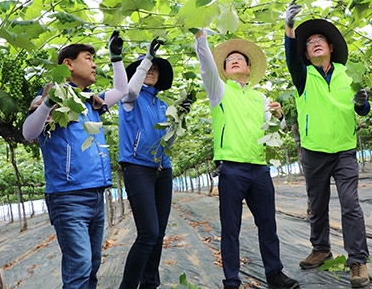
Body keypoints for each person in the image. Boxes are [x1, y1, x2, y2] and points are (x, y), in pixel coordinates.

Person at [22, 31, 128, 288]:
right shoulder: (50, 95)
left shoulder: (91, 101)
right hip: (68, 197)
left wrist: (116, 57)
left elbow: (122, 90)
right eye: (88, 58)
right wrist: (48, 102)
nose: (93, 64)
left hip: (95, 196)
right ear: (68, 64)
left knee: (91, 264)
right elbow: (28, 133)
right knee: (79, 267)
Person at [194, 30, 299, 289]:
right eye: (229, 60)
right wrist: (200, 38)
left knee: (268, 225)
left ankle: (275, 274)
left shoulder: (260, 97)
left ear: (249, 69)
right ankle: (232, 281)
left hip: (260, 169)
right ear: (225, 71)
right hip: (231, 168)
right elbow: (207, 65)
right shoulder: (218, 92)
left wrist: (279, 116)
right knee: (231, 229)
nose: (234, 60)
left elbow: (276, 128)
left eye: (240, 58)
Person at [284, 0, 371, 288]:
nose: (316, 43)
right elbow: (290, 56)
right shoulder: (303, 76)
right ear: (306, 54)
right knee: (317, 205)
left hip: (344, 149)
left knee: (350, 204)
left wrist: (363, 104)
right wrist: (289, 27)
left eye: (321, 39)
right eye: (310, 42)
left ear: (331, 47)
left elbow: (360, 110)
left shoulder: (348, 75)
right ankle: (321, 249)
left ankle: (357, 261)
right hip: (314, 151)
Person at [118, 38, 191, 289]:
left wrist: (179, 118)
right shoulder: (129, 99)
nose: (150, 71)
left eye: (154, 69)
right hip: (137, 168)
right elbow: (130, 89)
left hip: (163, 169)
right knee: (148, 233)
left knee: (158, 233)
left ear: (160, 76)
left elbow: (167, 144)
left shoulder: (162, 105)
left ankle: (150, 284)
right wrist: (147, 57)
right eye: (146, 68)